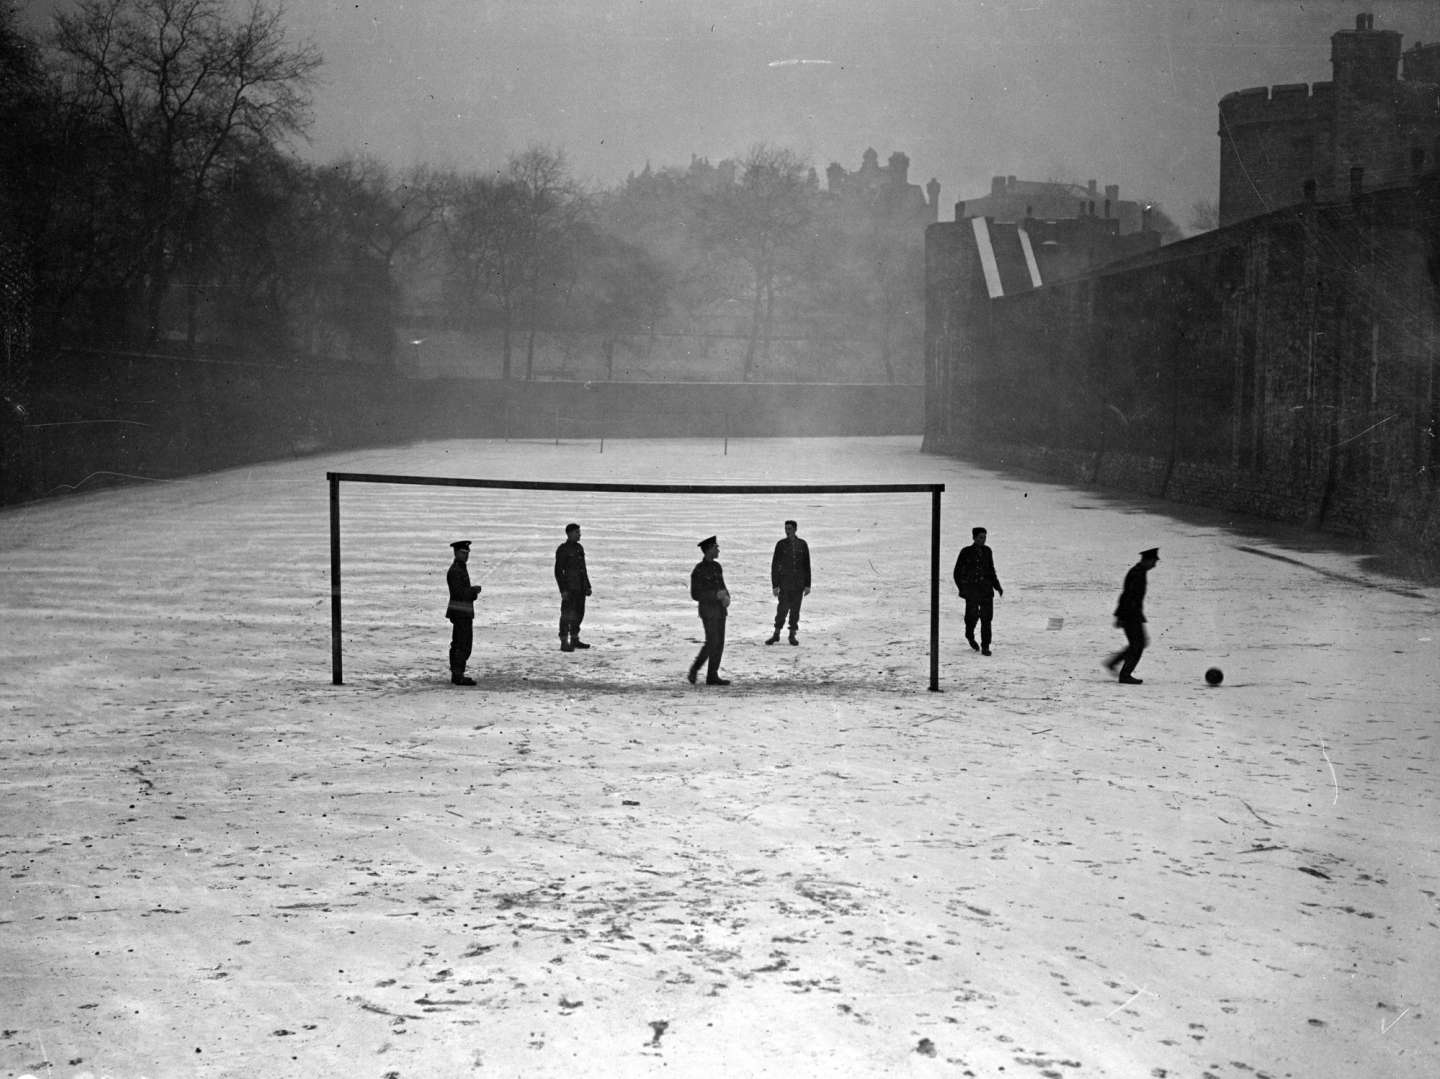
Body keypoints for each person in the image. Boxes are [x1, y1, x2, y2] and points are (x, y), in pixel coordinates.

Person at [1105, 547, 1159, 684]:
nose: (1154, 565)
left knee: (1137, 644)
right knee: (1138, 645)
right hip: (1131, 614)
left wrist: (1120, 615)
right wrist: (1121, 616)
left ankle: (1114, 663)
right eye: (1153, 561)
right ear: (1147, 560)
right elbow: (1128, 596)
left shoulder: (1138, 572)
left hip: (1131, 613)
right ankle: (1125, 675)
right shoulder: (1137, 574)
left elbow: (1126, 595)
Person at [953, 526, 1004, 655]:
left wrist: (997, 586)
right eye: (981, 537)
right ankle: (969, 635)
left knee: (987, 619)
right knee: (971, 618)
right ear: (974, 538)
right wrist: (963, 589)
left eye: (985, 537)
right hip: (972, 592)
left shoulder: (987, 551)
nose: (983, 540)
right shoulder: (966, 552)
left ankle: (985, 646)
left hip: (986, 590)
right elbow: (957, 572)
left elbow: (991, 570)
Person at [688, 536, 730, 685]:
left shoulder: (717, 567)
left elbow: (722, 586)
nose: (718, 550)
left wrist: (727, 597)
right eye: (715, 547)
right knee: (712, 642)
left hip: (720, 611)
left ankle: (712, 675)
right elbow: (695, 594)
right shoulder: (699, 570)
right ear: (709, 550)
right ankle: (695, 669)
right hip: (708, 611)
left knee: (719, 643)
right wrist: (715, 595)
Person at [766, 519, 811, 646]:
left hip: (798, 584)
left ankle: (792, 635)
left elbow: (806, 565)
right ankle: (776, 634)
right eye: (786, 529)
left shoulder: (802, 544)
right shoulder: (781, 544)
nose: (787, 531)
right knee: (782, 610)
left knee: (795, 610)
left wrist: (807, 585)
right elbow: (775, 565)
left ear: (795, 529)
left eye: (790, 529)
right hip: (785, 583)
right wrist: (775, 585)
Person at [445, 540, 482, 686]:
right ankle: (458, 675)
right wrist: (473, 591)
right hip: (461, 612)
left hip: (462, 612)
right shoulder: (455, 570)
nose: (466, 556)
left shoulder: (460, 568)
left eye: (467, 553)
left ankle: (458, 673)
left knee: (462, 643)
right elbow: (459, 593)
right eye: (463, 553)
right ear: (456, 553)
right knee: (462, 644)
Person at [554, 522, 593, 652]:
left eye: (579, 532)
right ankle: (564, 641)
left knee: (579, 614)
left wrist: (587, 586)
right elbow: (558, 571)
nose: (579, 535)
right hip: (569, 588)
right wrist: (563, 590)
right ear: (570, 534)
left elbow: (583, 569)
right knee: (566, 615)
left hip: (580, 588)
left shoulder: (579, 548)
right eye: (577, 532)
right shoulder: (563, 549)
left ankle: (575, 639)